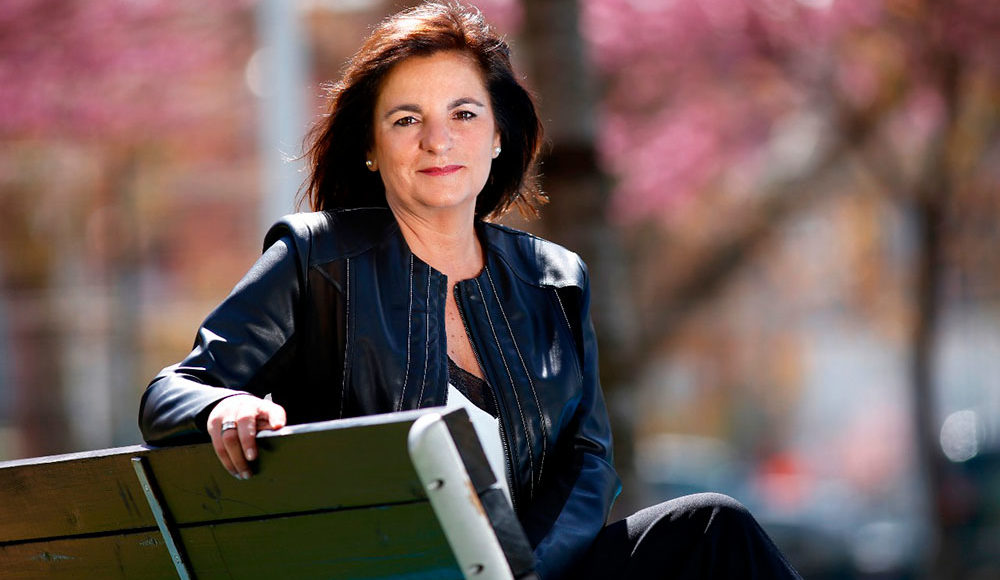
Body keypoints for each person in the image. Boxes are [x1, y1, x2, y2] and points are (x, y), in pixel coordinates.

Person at [138, 2, 801, 578]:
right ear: (370, 146)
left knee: (715, 527)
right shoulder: (316, 258)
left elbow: (589, 459)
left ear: (497, 136)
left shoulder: (555, 279)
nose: (438, 140)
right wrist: (223, 407)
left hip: (528, 570)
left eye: (463, 113)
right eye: (406, 120)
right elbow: (173, 391)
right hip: (390, 571)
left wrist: (520, 569)